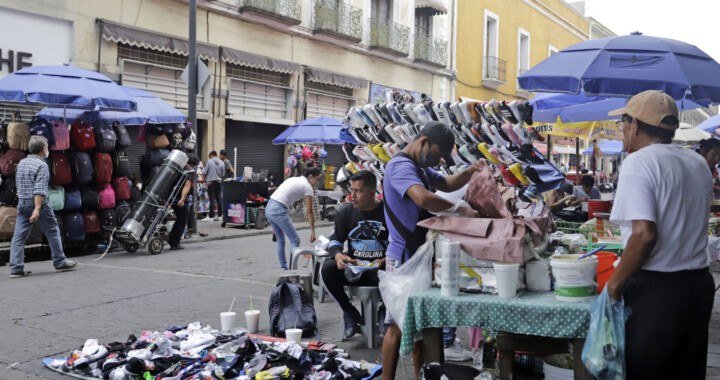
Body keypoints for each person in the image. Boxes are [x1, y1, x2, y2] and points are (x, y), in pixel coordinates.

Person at [606, 90, 714, 379]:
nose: (623, 131)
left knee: (644, 372)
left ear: (636, 125)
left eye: (623, 123)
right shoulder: (697, 163)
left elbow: (644, 235)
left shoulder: (638, 162)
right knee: (685, 372)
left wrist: (613, 288)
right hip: (697, 285)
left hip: (656, 290)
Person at [382, 121, 481, 379]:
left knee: (420, 328)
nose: (437, 161)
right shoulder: (400, 166)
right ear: (423, 142)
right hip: (403, 256)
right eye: (437, 154)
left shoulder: (420, 168)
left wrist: (470, 172)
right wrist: (459, 209)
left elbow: (447, 183)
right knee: (397, 327)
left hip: (420, 254)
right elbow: (422, 198)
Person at [320, 170, 388, 338]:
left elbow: (401, 245)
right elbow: (335, 240)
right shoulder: (345, 212)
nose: (353, 195)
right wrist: (337, 255)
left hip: (381, 272)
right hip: (354, 270)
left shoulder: (389, 213)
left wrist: (386, 259)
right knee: (327, 269)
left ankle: (385, 311)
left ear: (373, 193)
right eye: (352, 190)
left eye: (358, 191)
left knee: (400, 269)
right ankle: (349, 311)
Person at [9, 136, 78, 278]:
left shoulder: (21, 163)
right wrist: (37, 208)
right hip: (37, 203)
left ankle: (16, 268)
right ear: (44, 149)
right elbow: (39, 189)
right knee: (52, 231)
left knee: (19, 236)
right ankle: (60, 262)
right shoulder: (42, 165)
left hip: (22, 203)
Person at [266, 167, 321, 270]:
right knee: (295, 240)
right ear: (310, 177)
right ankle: (291, 271)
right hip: (278, 209)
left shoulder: (294, 179)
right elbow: (310, 212)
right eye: (317, 179)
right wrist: (313, 232)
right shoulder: (307, 186)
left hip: (269, 207)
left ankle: (284, 269)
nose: (317, 182)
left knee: (281, 240)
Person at [168, 153, 200, 250]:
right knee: (182, 219)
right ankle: (175, 242)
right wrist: (182, 199)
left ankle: (171, 237)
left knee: (178, 219)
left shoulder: (179, 166)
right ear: (194, 163)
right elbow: (187, 184)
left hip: (171, 196)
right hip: (180, 199)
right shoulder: (190, 170)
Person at [202, 151, 224, 221]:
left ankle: (211, 216)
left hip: (211, 183)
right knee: (219, 199)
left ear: (211, 155)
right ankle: (220, 215)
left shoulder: (209, 161)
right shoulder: (221, 162)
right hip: (219, 182)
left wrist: (207, 174)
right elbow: (223, 174)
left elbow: (204, 172)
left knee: (212, 199)